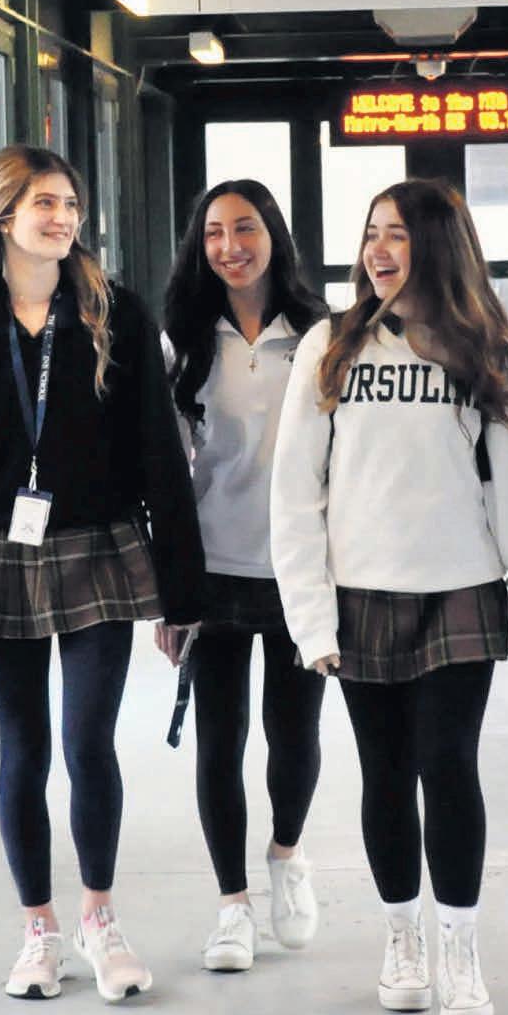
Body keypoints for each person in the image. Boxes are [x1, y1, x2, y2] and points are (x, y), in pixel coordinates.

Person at [0, 145, 206, 1005]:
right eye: (43, 202)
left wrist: (181, 592)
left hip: (99, 546)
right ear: (3, 214)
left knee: (87, 741)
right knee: (24, 747)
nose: (62, 217)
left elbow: (159, 455)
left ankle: (100, 918)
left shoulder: (114, 313)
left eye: (69, 203)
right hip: (0, 551)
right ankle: (39, 929)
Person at [270, 178, 508, 1015]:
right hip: (360, 592)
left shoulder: (488, 349)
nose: (377, 249)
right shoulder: (330, 343)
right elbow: (295, 492)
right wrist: (309, 618)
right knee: (386, 772)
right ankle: (402, 939)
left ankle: (459, 950)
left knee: (449, 765)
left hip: (459, 589)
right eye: (371, 233)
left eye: (396, 233)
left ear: (436, 244)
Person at [156, 180, 332, 971]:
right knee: (218, 740)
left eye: (245, 228)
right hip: (212, 568)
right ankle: (232, 905)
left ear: (273, 236)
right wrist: (170, 590)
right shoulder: (183, 341)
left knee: (294, 732)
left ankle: (286, 854)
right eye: (214, 233)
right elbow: (166, 473)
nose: (230, 246)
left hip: (299, 568)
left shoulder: (321, 334)